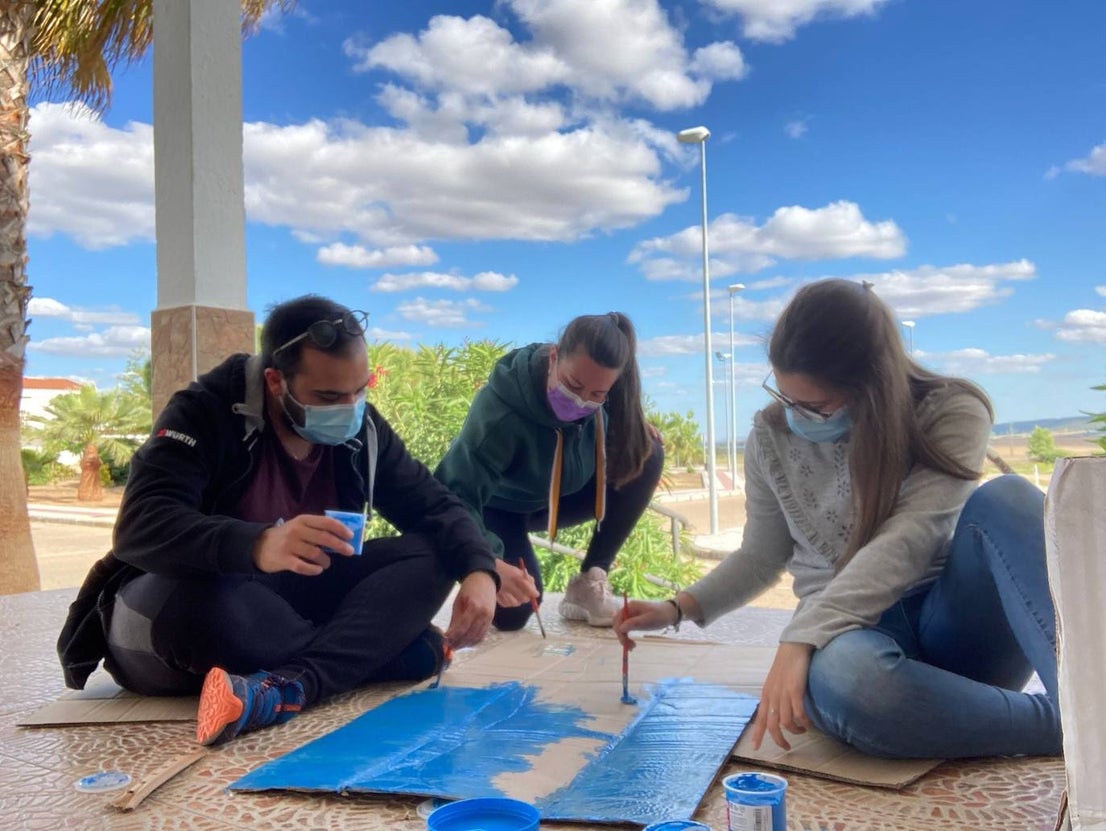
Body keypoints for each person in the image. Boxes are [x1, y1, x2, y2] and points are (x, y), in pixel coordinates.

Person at [616, 279, 1060, 760]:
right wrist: (676, 608)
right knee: (848, 679)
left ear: (873, 385)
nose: (796, 416)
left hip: (951, 623)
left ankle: (1083, 708)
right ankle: (1059, 727)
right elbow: (762, 555)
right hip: (854, 645)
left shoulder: (951, 410)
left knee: (1009, 498)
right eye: (785, 398)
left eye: (816, 407)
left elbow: (913, 535)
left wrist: (800, 637)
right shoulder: (769, 437)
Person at [57, 295, 498, 746]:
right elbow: (141, 524)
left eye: (360, 390)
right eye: (328, 396)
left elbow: (434, 505)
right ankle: (371, 655)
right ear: (274, 381)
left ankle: (292, 685)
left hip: (294, 601)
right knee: (205, 612)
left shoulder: (361, 427)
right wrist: (258, 544)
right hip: (203, 597)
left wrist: (480, 570)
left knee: (433, 554)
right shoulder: (204, 410)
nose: (350, 407)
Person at [435, 312, 663, 630]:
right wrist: (487, 564)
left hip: (553, 500)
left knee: (646, 450)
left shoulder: (601, 394)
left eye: (597, 395)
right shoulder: (499, 412)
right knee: (514, 610)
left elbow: (615, 415)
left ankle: (591, 578)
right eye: (573, 385)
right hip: (498, 509)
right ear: (554, 357)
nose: (581, 401)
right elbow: (451, 495)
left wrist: (629, 425)